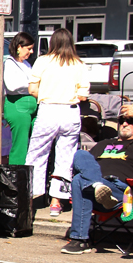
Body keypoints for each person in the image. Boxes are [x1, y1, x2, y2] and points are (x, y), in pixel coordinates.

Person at [61, 115, 133, 254]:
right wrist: (97, 183)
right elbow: (85, 165)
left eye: (130, 120)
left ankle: (79, 240)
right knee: (80, 155)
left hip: (122, 191)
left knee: (79, 180)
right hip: (97, 189)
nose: (125, 124)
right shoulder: (103, 144)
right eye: (121, 121)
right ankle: (98, 185)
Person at [25, 28, 89, 217]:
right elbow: (83, 95)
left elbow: (32, 88)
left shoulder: (43, 61)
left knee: (37, 155)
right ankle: (56, 201)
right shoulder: (79, 64)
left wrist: (46, 94)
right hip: (69, 112)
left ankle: (30, 198)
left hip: (48, 110)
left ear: (52, 42)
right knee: (65, 157)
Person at [3, 32, 38, 166]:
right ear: (19, 47)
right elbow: (12, 86)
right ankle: (17, 174)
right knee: (20, 144)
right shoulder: (10, 64)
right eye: (28, 48)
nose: (31, 51)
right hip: (18, 105)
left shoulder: (27, 64)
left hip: (32, 105)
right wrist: (30, 85)